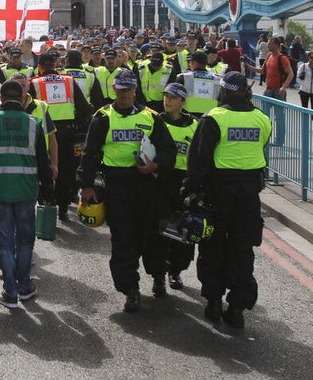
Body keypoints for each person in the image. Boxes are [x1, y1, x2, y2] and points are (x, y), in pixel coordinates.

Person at [78, 69, 176, 312]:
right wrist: (87, 185)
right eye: (121, 90)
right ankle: (130, 290)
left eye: (129, 89)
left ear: (135, 89)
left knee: (152, 235)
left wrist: (156, 164)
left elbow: (169, 150)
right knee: (123, 238)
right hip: (117, 185)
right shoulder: (102, 117)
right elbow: (89, 153)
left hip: (146, 185)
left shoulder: (151, 117)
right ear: (114, 90)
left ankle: (157, 275)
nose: (125, 94)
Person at [185, 71, 272, 329]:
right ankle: (236, 309)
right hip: (248, 197)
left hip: (218, 193)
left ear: (222, 91)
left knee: (212, 247)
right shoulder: (261, 119)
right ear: (246, 91)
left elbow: (198, 161)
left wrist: (188, 192)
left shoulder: (214, 118)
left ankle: (213, 302)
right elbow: (261, 147)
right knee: (242, 250)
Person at [0, 80, 53, 309]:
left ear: (2, 100)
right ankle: (25, 287)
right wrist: (47, 190)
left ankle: (10, 292)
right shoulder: (34, 124)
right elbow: (43, 161)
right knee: (25, 242)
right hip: (26, 190)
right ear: (22, 98)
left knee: (3, 243)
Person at [30, 52, 92, 223]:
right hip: (67, 132)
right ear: (56, 65)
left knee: (44, 169)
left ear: (40, 68)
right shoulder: (69, 80)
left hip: (44, 133)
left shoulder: (34, 83)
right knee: (65, 170)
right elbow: (84, 109)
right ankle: (63, 208)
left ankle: (47, 204)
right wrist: (77, 126)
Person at [158, 82, 199, 290]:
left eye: (173, 97)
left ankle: (175, 270)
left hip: (183, 183)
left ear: (182, 101)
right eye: (166, 96)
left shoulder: (195, 126)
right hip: (161, 181)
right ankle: (159, 271)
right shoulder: (156, 121)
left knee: (182, 230)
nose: (168, 100)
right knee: (159, 228)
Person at [245, 38, 293, 146]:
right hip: (268, 89)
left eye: (270, 44)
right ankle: (265, 137)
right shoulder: (269, 56)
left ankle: (279, 140)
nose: (268, 46)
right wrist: (249, 67)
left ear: (276, 45)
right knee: (264, 115)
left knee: (279, 116)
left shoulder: (282, 58)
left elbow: (290, 74)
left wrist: (284, 87)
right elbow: (262, 71)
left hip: (278, 90)